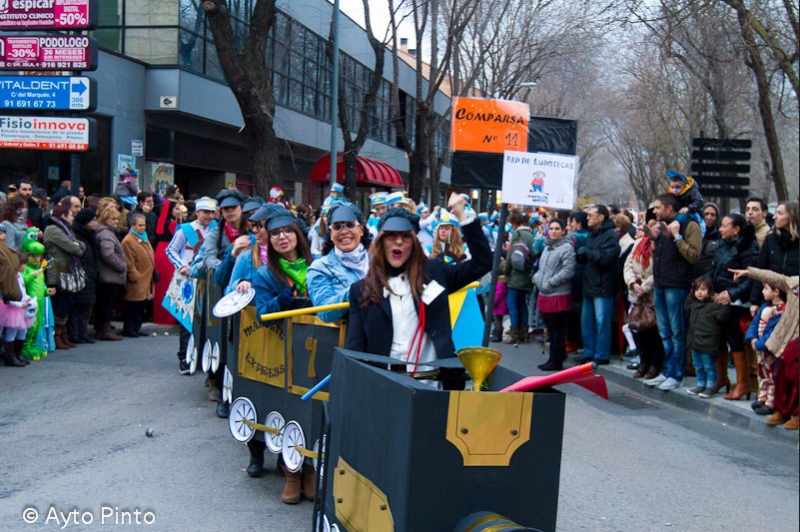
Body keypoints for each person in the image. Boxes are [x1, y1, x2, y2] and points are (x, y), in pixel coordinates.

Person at [345, 192, 492, 374]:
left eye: (406, 236)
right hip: (386, 387)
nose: (398, 241)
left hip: (433, 384)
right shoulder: (361, 290)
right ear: (381, 243)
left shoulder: (435, 273)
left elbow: (483, 263)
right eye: (391, 235)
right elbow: (355, 351)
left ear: (414, 243)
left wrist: (463, 217)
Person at [243, 207, 314, 504]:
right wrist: (284, 299)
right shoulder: (265, 274)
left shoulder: (318, 265)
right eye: (274, 234)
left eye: (286, 231)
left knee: (312, 408)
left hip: (313, 347)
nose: (282, 237)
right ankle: (291, 472)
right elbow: (263, 315)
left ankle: (309, 469)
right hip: (281, 349)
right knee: (288, 409)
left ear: (298, 235)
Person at [644, 194, 701, 391]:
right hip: (661, 283)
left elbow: (694, 256)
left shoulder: (689, 225)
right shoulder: (661, 226)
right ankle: (667, 370)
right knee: (664, 331)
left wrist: (677, 237)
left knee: (677, 332)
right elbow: (658, 258)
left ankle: (677, 373)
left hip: (677, 285)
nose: (655, 211)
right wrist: (654, 241)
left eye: (658, 207)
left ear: (669, 208)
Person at [731, 267, 798, 428]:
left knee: (794, 373)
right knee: (781, 373)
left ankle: (796, 413)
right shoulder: (795, 284)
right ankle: (782, 411)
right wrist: (749, 273)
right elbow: (775, 278)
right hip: (786, 337)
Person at [708, 213, 758, 400]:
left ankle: (743, 383)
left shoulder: (749, 247)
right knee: (719, 337)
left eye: (724, 226)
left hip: (738, 301)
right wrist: (703, 283)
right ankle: (721, 379)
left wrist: (732, 294)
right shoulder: (721, 245)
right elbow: (715, 270)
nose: (720, 229)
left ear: (736, 229)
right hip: (719, 296)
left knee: (734, 339)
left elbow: (751, 277)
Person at [166, 196, 218, 373]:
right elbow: (171, 250)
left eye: (212, 212)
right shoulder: (185, 230)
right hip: (188, 279)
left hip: (209, 280)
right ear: (197, 212)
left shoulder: (216, 229)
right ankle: (185, 358)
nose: (210, 216)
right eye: (206, 212)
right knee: (187, 319)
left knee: (207, 320)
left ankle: (204, 356)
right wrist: (181, 265)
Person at [307, 202, 371, 323]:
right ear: (330, 234)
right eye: (337, 227)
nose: (344, 231)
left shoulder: (378, 260)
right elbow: (324, 312)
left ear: (361, 229)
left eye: (350, 225)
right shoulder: (320, 268)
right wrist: (359, 288)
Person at [575, 204, 620, 365]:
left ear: (601, 217)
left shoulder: (610, 236)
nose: (587, 218)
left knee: (602, 322)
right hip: (589, 283)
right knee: (586, 321)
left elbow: (607, 258)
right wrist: (580, 254)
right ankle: (589, 351)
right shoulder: (591, 235)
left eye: (591, 215)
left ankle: (601, 354)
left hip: (602, 285)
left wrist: (588, 253)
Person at [623, 210, 665, 379]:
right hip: (637, 293)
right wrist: (633, 283)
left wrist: (645, 287)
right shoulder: (638, 243)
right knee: (640, 331)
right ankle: (643, 362)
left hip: (652, 293)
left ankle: (655, 365)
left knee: (654, 331)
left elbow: (659, 269)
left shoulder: (661, 244)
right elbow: (628, 265)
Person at [533, 218, 576, 371]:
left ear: (563, 231)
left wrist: (550, 283)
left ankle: (556, 360)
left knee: (557, 330)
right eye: (551, 229)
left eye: (557, 229)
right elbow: (541, 267)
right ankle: (553, 357)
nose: (554, 231)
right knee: (550, 328)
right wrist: (537, 279)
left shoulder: (567, 248)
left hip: (558, 293)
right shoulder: (547, 247)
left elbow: (568, 270)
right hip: (545, 292)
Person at [43, 203, 86, 350]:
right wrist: (76, 246)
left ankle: (63, 334)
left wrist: (77, 245)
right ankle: (56, 335)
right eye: (70, 215)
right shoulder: (53, 230)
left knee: (67, 301)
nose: (73, 218)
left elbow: (81, 245)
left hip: (67, 271)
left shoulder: (66, 229)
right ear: (63, 215)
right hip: (57, 271)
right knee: (61, 303)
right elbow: (73, 248)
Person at [748, 200, 798, 316]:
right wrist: (754, 301)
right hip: (771, 300)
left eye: (780, 213)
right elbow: (761, 270)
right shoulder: (771, 239)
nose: (774, 217)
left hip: (795, 302)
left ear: (792, 216)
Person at [684, 276, 731, 398]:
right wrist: (690, 292)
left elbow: (723, 315)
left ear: (710, 291)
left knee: (709, 366)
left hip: (708, 343)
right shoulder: (694, 304)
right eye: (697, 289)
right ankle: (700, 384)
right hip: (695, 342)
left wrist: (724, 303)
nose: (699, 292)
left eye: (703, 289)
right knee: (698, 366)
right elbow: (686, 305)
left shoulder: (714, 305)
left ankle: (711, 386)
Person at [745, 280, 786, 415]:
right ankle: (762, 397)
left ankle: (771, 402)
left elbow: (774, 332)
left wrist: (759, 343)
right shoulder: (764, 306)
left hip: (770, 349)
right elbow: (754, 324)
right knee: (762, 373)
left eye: (765, 289)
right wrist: (752, 338)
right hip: (760, 349)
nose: (762, 291)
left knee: (772, 375)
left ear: (776, 292)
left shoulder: (781, 310)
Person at [94, 207, 128, 341]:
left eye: (117, 219)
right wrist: (121, 266)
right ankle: (104, 330)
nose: (116, 221)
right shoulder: (105, 234)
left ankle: (104, 328)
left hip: (109, 275)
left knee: (106, 304)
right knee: (106, 304)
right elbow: (108, 254)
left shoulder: (108, 233)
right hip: (109, 276)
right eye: (113, 219)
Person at [502, 209, 535, 346]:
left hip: (516, 275)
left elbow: (510, 256)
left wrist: (506, 272)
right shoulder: (531, 235)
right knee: (522, 303)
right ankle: (524, 331)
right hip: (527, 274)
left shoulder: (518, 235)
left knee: (512, 302)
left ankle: (514, 332)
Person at [21, 240, 56, 361]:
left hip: (39, 303)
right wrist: (32, 275)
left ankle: (33, 346)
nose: (36, 259)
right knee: (30, 326)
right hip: (29, 303)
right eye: (33, 256)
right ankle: (25, 348)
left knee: (37, 325)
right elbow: (21, 282)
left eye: (38, 256)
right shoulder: (26, 269)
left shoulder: (40, 271)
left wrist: (47, 292)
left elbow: (40, 287)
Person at [121, 213, 155, 337]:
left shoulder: (144, 238)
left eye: (144, 225)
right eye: (139, 225)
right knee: (132, 305)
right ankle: (129, 328)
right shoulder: (129, 241)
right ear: (132, 225)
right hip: (137, 279)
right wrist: (136, 276)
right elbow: (129, 262)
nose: (142, 228)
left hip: (146, 277)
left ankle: (137, 327)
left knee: (141, 305)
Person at [68, 209, 99, 345]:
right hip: (81, 271)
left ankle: (83, 332)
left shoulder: (90, 234)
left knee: (85, 305)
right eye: (93, 220)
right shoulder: (78, 234)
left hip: (89, 272)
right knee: (78, 305)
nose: (95, 222)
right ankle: (75, 334)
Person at [0, 251, 35, 367]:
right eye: (23, 264)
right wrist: (19, 304)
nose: (25, 266)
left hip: (20, 307)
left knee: (23, 330)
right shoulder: (10, 277)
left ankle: (17, 354)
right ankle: (10, 357)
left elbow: (22, 292)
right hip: (11, 308)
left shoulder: (19, 276)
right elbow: (8, 296)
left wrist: (27, 298)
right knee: (11, 331)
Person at [152, 200, 181, 326]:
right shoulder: (173, 223)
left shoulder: (162, 222)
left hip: (160, 250)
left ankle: (160, 315)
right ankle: (168, 317)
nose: (179, 212)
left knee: (161, 285)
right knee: (169, 285)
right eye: (177, 209)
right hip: (169, 252)